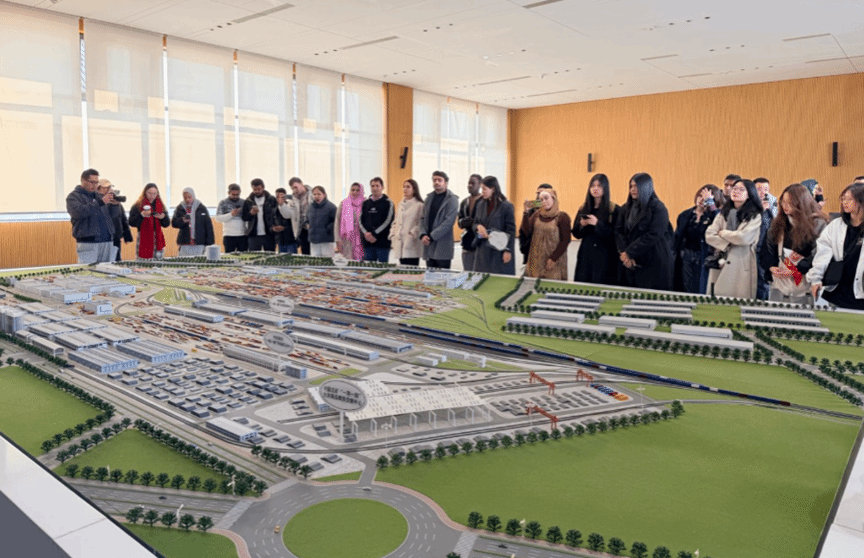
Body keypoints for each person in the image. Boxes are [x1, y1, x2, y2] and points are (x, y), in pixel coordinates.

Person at [760, 183, 827, 303]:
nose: (785, 206)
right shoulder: (778, 222)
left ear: (801, 202)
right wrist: (771, 266)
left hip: (805, 282)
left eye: (790, 203)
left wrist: (796, 269)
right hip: (779, 282)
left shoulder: (817, 223)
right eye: (783, 202)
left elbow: (819, 254)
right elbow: (767, 249)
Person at [705, 179, 764, 298]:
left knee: (738, 300)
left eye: (741, 189)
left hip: (741, 262)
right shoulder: (723, 213)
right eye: (735, 188)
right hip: (721, 260)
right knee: (716, 300)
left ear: (749, 194)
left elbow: (744, 238)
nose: (736, 191)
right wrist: (729, 243)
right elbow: (709, 235)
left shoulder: (754, 215)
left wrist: (723, 233)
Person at [808, 183, 864, 310]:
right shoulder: (836, 225)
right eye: (843, 199)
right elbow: (822, 254)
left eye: (850, 199)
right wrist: (816, 279)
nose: (845, 202)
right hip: (837, 289)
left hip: (860, 291)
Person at [614, 173, 673, 290]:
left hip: (654, 261)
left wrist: (630, 252)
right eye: (631, 186)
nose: (632, 190)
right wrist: (624, 253)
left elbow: (654, 234)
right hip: (630, 262)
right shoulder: (626, 208)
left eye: (636, 186)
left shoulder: (658, 208)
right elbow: (618, 231)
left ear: (645, 187)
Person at [673, 185, 723, 293]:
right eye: (700, 196)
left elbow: (720, 221)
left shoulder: (715, 215)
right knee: (685, 287)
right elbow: (677, 236)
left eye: (706, 198)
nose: (701, 200)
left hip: (704, 256)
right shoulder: (685, 214)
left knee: (701, 287)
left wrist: (710, 205)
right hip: (686, 255)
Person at [572, 174, 619, 285]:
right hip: (586, 254)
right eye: (592, 186)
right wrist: (581, 225)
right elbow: (576, 233)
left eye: (599, 186)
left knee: (601, 286)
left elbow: (615, 235)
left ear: (605, 188)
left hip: (605, 255)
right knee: (583, 286)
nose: (595, 189)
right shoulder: (583, 208)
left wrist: (597, 224)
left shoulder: (613, 209)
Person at [66, 168, 116, 264]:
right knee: (88, 270)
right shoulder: (73, 197)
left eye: (97, 182)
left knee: (108, 271)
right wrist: (100, 202)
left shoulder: (99, 196)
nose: (95, 185)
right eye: (92, 182)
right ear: (83, 181)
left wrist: (115, 205)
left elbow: (112, 216)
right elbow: (79, 212)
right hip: (88, 242)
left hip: (107, 240)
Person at [521, 187, 570, 280]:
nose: (544, 201)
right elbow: (526, 231)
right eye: (541, 200)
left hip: (553, 262)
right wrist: (525, 212)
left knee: (551, 285)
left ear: (553, 199)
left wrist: (553, 258)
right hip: (536, 260)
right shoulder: (536, 215)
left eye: (546, 198)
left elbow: (565, 240)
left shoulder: (562, 217)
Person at [472, 176, 515, 275]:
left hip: (499, 249)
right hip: (482, 250)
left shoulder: (506, 206)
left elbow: (511, 230)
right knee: (481, 279)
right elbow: (474, 223)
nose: (482, 192)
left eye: (484, 189)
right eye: (481, 189)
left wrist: (508, 250)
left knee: (498, 279)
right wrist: (478, 227)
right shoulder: (480, 204)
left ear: (493, 189)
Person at [420, 170, 459, 269]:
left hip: (443, 245)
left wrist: (431, 236)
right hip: (428, 244)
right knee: (430, 274)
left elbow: (449, 222)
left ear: (446, 183)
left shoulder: (452, 199)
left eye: (439, 180)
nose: (436, 182)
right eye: (434, 180)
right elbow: (422, 218)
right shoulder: (428, 198)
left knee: (443, 275)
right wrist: (423, 234)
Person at [128, 183, 169, 260]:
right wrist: (142, 215)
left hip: (158, 238)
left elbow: (166, 224)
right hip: (144, 238)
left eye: (154, 194)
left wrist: (163, 217)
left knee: (158, 262)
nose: (152, 196)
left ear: (157, 194)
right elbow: (131, 222)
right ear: (145, 193)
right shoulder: (138, 205)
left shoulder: (160, 205)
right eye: (149, 193)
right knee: (143, 262)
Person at [389, 179, 425, 266]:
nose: (405, 189)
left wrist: (411, 234)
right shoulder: (401, 204)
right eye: (404, 187)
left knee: (412, 269)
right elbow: (395, 222)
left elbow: (421, 223)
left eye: (408, 187)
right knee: (402, 268)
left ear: (414, 189)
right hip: (399, 242)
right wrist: (392, 234)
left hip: (411, 243)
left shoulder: (419, 205)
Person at [360, 177, 395, 263]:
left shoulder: (388, 203)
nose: (375, 188)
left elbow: (388, 221)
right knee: (368, 268)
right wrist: (366, 234)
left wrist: (374, 234)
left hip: (383, 243)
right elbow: (360, 220)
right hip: (368, 243)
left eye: (377, 186)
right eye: (372, 186)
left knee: (382, 268)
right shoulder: (365, 203)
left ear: (382, 187)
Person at [96, 178, 133, 261]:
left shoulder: (116, 202)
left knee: (116, 259)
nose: (108, 190)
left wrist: (127, 236)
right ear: (98, 189)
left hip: (116, 236)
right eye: (105, 188)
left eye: (109, 187)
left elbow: (123, 219)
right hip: (101, 238)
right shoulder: (96, 202)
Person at [518, 183, 554, 265]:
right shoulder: (530, 211)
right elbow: (523, 231)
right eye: (538, 193)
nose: (539, 196)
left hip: (547, 255)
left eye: (542, 193)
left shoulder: (555, 213)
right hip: (530, 253)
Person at [172, 187, 214, 256]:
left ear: (193, 196)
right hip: (185, 242)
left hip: (199, 242)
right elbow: (174, 223)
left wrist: (210, 243)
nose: (187, 200)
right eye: (185, 198)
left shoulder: (201, 208)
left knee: (199, 261)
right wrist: (182, 220)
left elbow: (208, 226)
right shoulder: (180, 208)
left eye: (189, 197)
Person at [242, 178, 277, 252]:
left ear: (263, 187)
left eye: (259, 189)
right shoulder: (248, 201)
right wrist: (251, 213)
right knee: (253, 256)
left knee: (270, 256)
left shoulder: (272, 199)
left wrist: (275, 227)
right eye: (254, 189)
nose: (257, 191)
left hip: (269, 233)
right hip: (253, 234)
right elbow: (244, 217)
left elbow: (277, 215)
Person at [458, 174, 483, 271]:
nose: (470, 185)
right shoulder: (464, 202)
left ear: (480, 184)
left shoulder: (484, 201)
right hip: (467, 242)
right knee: (467, 272)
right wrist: (463, 222)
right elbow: (459, 222)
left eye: (473, 183)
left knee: (480, 273)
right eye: (469, 183)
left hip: (480, 242)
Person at [335, 182, 365, 260]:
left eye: (357, 190)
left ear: (361, 191)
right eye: (353, 190)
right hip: (346, 239)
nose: (355, 192)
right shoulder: (343, 203)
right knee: (347, 261)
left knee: (360, 263)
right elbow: (337, 222)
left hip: (361, 239)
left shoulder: (365, 203)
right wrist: (337, 240)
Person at [215, 184, 247, 253]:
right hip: (228, 235)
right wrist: (231, 214)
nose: (235, 197)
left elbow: (248, 218)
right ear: (228, 193)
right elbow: (218, 218)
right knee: (229, 256)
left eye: (237, 195)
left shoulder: (244, 202)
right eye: (233, 194)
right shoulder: (223, 203)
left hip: (243, 235)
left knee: (244, 256)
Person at [307, 186, 337, 257]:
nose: (316, 196)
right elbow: (307, 219)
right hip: (314, 240)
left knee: (328, 260)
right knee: (315, 260)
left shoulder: (331, 207)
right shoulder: (310, 207)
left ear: (324, 194)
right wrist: (307, 224)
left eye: (319, 194)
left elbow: (336, 222)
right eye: (314, 194)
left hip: (327, 240)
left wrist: (327, 228)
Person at [272, 187, 299, 253]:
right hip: (280, 239)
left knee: (291, 257)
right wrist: (274, 228)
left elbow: (295, 221)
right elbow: (272, 221)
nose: (280, 198)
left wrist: (285, 228)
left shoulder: (292, 206)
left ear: (285, 196)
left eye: (281, 196)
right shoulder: (274, 208)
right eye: (277, 197)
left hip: (291, 238)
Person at [289, 177, 311, 254]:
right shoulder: (294, 198)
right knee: (305, 254)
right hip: (302, 230)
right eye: (292, 189)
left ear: (302, 184)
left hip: (313, 229)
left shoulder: (313, 194)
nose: (294, 190)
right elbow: (290, 214)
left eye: (296, 187)